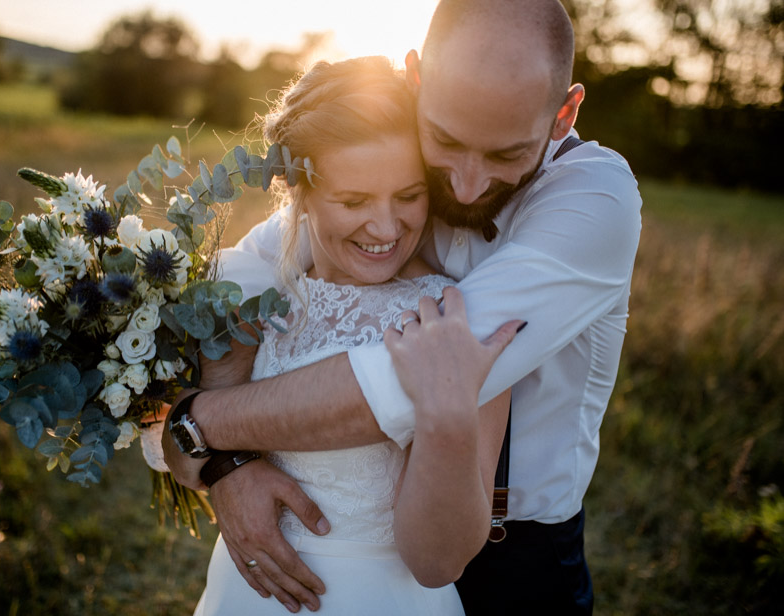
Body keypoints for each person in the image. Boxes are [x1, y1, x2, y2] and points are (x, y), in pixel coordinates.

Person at [162, 1, 642, 614]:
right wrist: (226, 468)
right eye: (446, 141)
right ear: (418, 81)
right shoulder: (391, 176)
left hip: (518, 559)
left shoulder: (595, 198)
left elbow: (402, 380)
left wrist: (201, 427)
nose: (466, 185)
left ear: (564, 113)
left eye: (504, 155)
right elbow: (235, 287)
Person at [142, 56, 524, 614]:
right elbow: (181, 443)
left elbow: (439, 562)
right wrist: (229, 471)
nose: (387, 228)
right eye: (353, 202)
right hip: (244, 593)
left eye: (409, 195)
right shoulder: (253, 301)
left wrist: (448, 409)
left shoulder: (452, 316)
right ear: (296, 189)